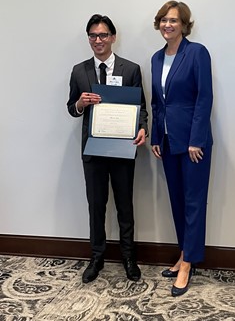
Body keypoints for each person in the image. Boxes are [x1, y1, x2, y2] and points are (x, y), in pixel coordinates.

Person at [67, 14, 148, 283]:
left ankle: (128, 256)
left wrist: (142, 128)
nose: (97, 40)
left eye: (102, 35)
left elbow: (142, 109)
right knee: (96, 206)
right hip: (93, 150)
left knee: (125, 205)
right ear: (88, 39)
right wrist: (80, 103)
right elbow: (71, 109)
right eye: (92, 36)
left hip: (123, 149)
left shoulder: (131, 69)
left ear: (113, 37)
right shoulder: (79, 71)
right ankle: (97, 257)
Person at [151, 0, 213, 296]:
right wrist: (154, 137)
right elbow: (156, 102)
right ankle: (183, 253)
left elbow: (204, 98)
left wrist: (196, 139)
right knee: (176, 200)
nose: (167, 24)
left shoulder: (197, 53)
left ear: (184, 25)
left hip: (192, 143)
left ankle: (188, 263)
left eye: (173, 20)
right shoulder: (155, 58)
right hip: (166, 141)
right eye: (163, 19)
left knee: (193, 201)